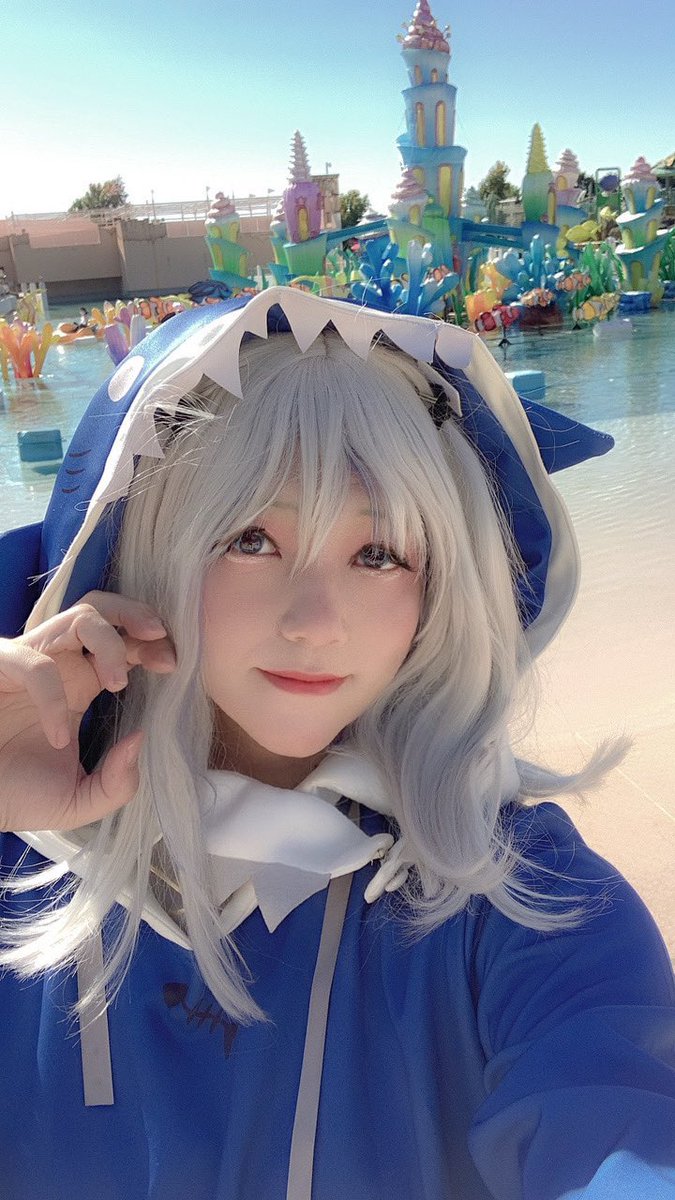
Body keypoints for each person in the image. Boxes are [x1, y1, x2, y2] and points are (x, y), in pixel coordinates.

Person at [0, 287, 673, 1200]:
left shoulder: (520, 903)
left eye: (378, 554)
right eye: (250, 538)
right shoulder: (20, 843)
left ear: (439, 588)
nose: (315, 623)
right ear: (149, 548)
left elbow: (618, 1125)